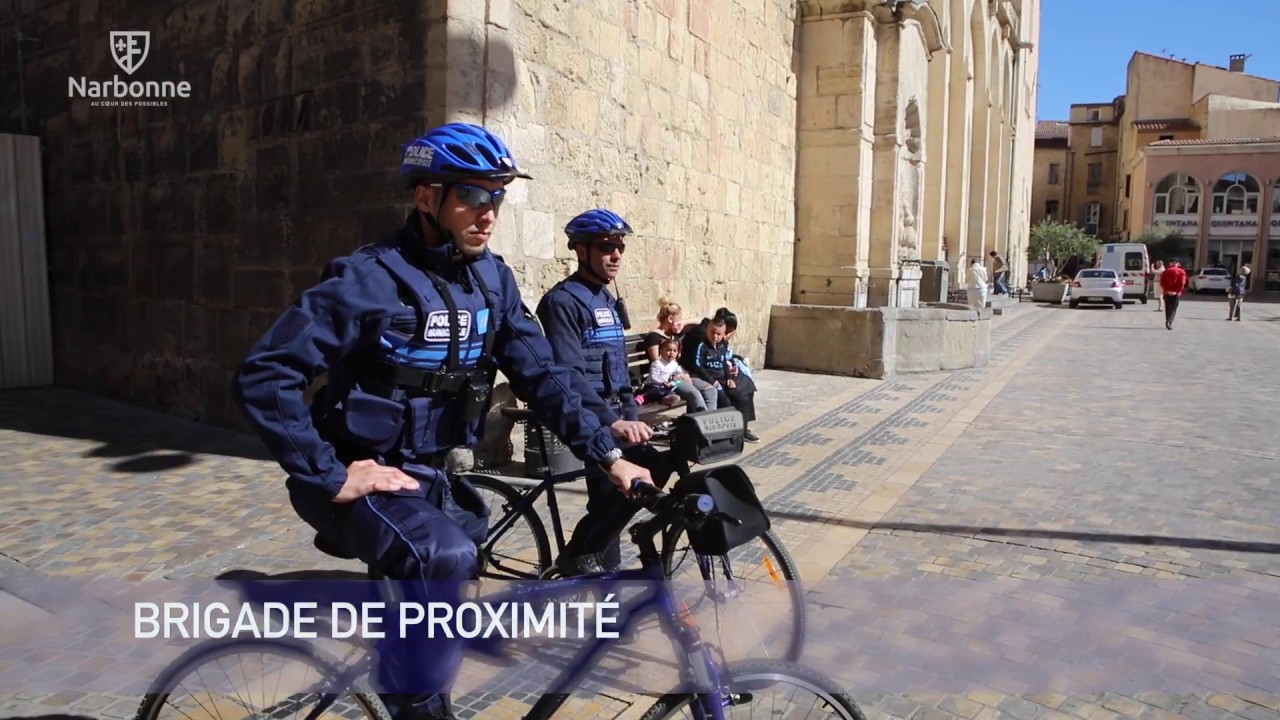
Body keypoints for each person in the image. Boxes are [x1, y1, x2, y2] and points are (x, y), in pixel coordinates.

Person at [229, 123, 653, 720]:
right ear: (426, 198)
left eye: (497, 197)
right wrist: (329, 475)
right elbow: (265, 374)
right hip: (362, 481)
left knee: (462, 572)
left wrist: (607, 454)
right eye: (473, 197)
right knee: (441, 558)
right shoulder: (369, 279)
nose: (488, 213)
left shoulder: (492, 281)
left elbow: (544, 376)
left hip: (431, 478)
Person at [535, 208, 672, 578]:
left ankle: (594, 561)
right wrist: (612, 422)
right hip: (587, 416)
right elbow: (571, 376)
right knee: (622, 489)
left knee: (655, 468)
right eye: (606, 246)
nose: (616, 255)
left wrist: (631, 415)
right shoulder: (564, 301)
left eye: (620, 247)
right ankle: (582, 561)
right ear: (581, 250)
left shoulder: (606, 301)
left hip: (616, 415)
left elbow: (620, 370)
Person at [712, 308, 760, 443]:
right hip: (718, 376)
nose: (730, 334)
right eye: (728, 331)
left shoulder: (723, 341)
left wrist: (733, 364)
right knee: (740, 393)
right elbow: (715, 360)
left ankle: (744, 426)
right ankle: (741, 430)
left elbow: (726, 356)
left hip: (726, 371)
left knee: (747, 385)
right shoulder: (714, 338)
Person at [1159, 260, 1188, 330]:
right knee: (1173, 308)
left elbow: (1162, 282)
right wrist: (1177, 291)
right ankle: (1169, 321)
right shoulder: (1181, 272)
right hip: (1176, 293)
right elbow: (1182, 283)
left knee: (1167, 307)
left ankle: (1167, 320)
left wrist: (1166, 290)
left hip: (1167, 292)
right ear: (1178, 264)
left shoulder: (1166, 271)